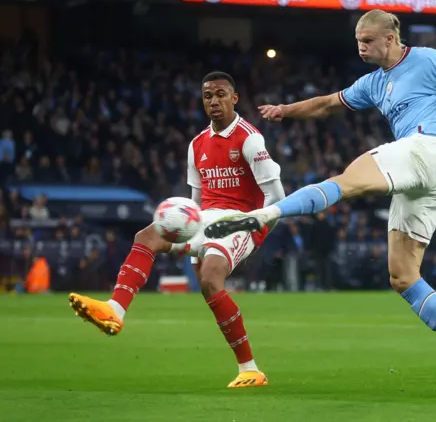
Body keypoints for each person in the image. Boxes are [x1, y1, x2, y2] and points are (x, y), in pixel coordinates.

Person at [206, 9, 436, 393]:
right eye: (357, 41)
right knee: (402, 276)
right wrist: (286, 110)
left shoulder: (427, 59)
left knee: (347, 181)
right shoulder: (372, 83)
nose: (361, 47)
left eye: (367, 40)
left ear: (389, 38)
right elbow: (328, 103)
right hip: (427, 181)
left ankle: (264, 214)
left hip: (424, 148)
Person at [68, 71, 285, 388]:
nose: (214, 100)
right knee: (146, 236)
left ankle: (250, 369)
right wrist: (187, 231)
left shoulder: (250, 139)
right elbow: (196, 202)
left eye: (221, 94)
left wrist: (256, 229)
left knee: (211, 279)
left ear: (235, 98)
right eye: (208, 95)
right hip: (207, 218)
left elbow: (277, 198)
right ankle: (114, 310)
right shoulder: (197, 145)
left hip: (242, 220)